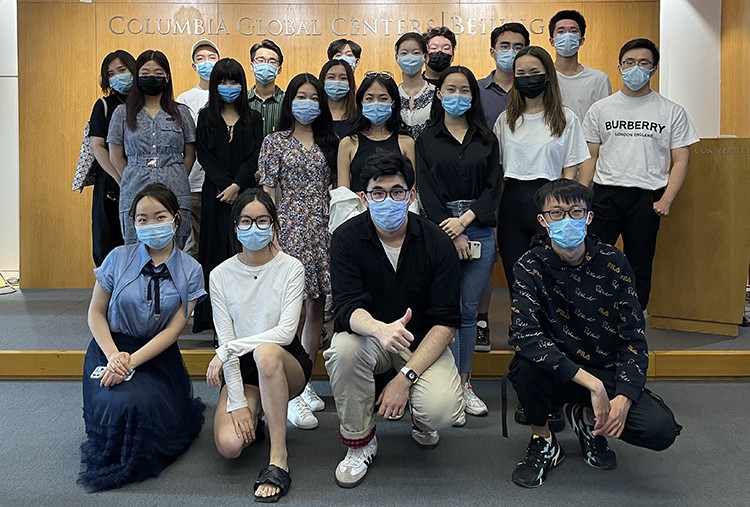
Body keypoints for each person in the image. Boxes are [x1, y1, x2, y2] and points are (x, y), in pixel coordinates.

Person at [507, 178, 682, 488]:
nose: (567, 220)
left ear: (588, 217)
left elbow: (634, 339)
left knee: (660, 429)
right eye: (557, 214)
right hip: (557, 370)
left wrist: (624, 399)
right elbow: (525, 335)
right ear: (543, 221)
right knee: (525, 366)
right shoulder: (528, 265)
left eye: (576, 212)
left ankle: (587, 421)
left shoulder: (614, 262)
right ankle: (544, 438)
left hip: (605, 366)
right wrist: (593, 386)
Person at [324, 151, 464, 488]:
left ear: (411, 195)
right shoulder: (345, 239)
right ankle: (360, 442)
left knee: (442, 409)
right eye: (378, 193)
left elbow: (447, 322)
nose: (389, 200)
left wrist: (405, 378)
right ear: (363, 198)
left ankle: (419, 417)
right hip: (368, 338)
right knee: (343, 350)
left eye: (398, 192)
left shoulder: (437, 243)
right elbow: (345, 308)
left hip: (420, 342)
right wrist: (379, 329)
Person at [79, 183, 206, 492]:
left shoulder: (191, 269)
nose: (151, 225)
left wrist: (130, 362)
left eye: (160, 216)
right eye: (142, 219)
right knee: (116, 405)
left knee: (140, 405)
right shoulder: (116, 258)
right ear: (133, 223)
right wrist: (114, 357)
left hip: (156, 355)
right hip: (109, 349)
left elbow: (175, 329)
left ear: (176, 219)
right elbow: (95, 314)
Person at [494, 45, 589, 430]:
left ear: (547, 75)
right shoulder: (506, 120)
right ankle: (529, 388)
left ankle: (561, 388)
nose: (526, 77)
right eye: (520, 72)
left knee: (556, 297)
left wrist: (565, 217)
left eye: (533, 71)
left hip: (551, 209)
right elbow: (498, 174)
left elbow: (571, 176)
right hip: (513, 209)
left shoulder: (566, 119)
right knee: (523, 301)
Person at [206, 188, 312, 503]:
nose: (255, 228)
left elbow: (284, 332)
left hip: (283, 360)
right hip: (242, 366)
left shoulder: (291, 268)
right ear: (235, 226)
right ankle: (259, 413)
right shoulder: (220, 275)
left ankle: (278, 457)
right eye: (247, 220)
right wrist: (238, 401)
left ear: (273, 225)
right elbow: (226, 339)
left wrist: (226, 350)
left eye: (263, 220)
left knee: (266, 352)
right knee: (230, 445)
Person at [579, 38, 699, 310]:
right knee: (591, 258)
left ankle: (633, 321)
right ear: (619, 67)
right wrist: (582, 197)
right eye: (630, 63)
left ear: (654, 68)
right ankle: (589, 316)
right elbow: (591, 155)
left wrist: (666, 199)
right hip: (604, 195)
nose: (636, 68)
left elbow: (681, 160)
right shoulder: (601, 108)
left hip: (647, 198)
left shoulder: (671, 111)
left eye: (643, 63)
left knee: (639, 263)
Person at [417, 66, 500, 424]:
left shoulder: (486, 138)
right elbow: (426, 190)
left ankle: (464, 384)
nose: (457, 95)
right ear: (438, 94)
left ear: (473, 96)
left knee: (468, 312)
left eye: (464, 90)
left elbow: (494, 187)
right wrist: (451, 231)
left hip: (478, 227)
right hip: (438, 229)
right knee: (445, 311)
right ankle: (446, 385)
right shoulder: (426, 138)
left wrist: (465, 223)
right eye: (449, 89)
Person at [258, 73, 338, 430]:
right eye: (300, 96)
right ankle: (288, 388)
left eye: (313, 97)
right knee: (291, 311)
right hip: (287, 232)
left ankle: (304, 380)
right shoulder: (274, 142)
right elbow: (267, 191)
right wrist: (270, 236)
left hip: (321, 232)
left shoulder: (329, 141)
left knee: (316, 307)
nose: (307, 103)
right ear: (289, 101)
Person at [193, 58, 263, 333]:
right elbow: (203, 155)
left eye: (234, 81)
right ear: (215, 84)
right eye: (223, 81)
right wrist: (225, 184)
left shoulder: (253, 118)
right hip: (215, 194)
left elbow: (255, 155)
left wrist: (237, 184)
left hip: (245, 196)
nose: (229, 86)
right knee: (214, 256)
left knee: (243, 253)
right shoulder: (205, 116)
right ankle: (214, 322)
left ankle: (245, 319)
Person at [475, 22, 530, 352]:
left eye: (518, 45)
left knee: (522, 262)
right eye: (505, 45)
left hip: (525, 188)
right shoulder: (478, 92)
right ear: (493, 50)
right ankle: (481, 322)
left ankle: (522, 320)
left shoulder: (536, 90)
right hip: (486, 186)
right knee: (485, 258)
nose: (511, 51)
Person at [108, 50, 196, 248]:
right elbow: (115, 155)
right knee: (135, 248)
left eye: (158, 73)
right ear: (137, 76)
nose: (152, 77)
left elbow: (190, 153)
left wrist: (176, 173)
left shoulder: (181, 112)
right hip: (134, 185)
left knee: (176, 246)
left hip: (175, 186)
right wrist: (133, 175)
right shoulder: (122, 113)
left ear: (166, 77)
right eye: (145, 73)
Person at [88, 50, 135, 267]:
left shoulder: (147, 103)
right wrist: (120, 178)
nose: (118, 76)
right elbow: (98, 147)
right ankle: (107, 298)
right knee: (107, 244)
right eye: (111, 73)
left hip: (139, 179)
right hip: (110, 182)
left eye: (122, 70)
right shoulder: (104, 105)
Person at [176, 39, 221, 259]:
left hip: (221, 183)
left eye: (212, 57)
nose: (207, 62)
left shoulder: (227, 95)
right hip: (193, 184)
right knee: (193, 244)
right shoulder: (184, 99)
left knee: (219, 240)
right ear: (194, 66)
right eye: (201, 59)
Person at [337, 71, 415, 193]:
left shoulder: (407, 143)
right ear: (361, 102)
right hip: (357, 210)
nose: (376, 103)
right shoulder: (348, 143)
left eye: (383, 98)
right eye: (369, 98)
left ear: (393, 102)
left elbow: (411, 191)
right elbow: (343, 194)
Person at [548, 10, 611, 122]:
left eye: (573, 31)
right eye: (561, 31)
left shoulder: (598, 79)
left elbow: (604, 119)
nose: (567, 35)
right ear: (552, 41)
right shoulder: (544, 76)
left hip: (585, 139)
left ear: (581, 40)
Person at [394, 32, 434, 140]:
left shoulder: (437, 95)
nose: (409, 57)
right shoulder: (391, 95)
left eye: (416, 53)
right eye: (404, 53)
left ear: (425, 57)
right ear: (396, 58)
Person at [248, 39, 285, 137]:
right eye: (260, 60)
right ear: (252, 66)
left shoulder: (287, 102)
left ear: (279, 69)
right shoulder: (242, 100)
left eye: (272, 61)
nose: (266, 65)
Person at [319, 59, 358, 139]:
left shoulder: (358, 117)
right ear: (323, 81)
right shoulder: (314, 115)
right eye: (331, 77)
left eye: (343, 78)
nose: (337, 82)